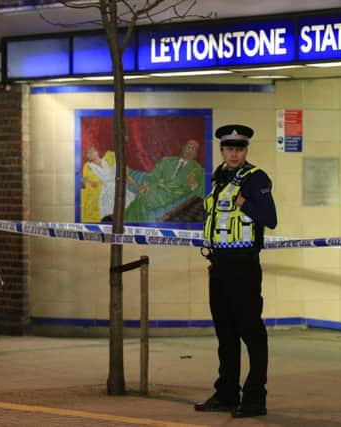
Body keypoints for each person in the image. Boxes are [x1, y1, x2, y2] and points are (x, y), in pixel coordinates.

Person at [194, 124, 277, 418]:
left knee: (251, 332)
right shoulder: (219, 178)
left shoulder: (255, 179)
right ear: (222, 150)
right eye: (229, 148)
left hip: (243, 265)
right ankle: (227, 393)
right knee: (225, 333)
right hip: (219, 265)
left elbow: (270, 218)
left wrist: (245, 202)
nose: (233, 153)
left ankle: (255, 397)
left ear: (246, 151)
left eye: (239, 149)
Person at [124, 139, 205, 223]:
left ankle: (129, 225)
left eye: (194, 149)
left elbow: (203, 192)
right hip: (155, 188)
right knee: (140, 196)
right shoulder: (166, 160)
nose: (190, 150)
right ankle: (128, 225)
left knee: (144, 200)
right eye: (189, 147)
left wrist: (194, 184)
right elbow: (153, 176)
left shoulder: (198, 169)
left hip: (171, 193)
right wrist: (145, 185)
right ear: (183, 148)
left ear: (196, 154)